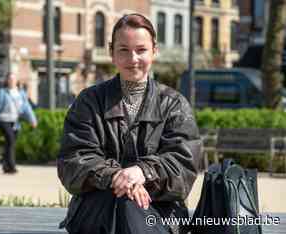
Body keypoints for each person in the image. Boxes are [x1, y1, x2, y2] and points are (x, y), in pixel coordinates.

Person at [57, 13, 202, 234]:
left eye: (141, 50)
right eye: (123, 50)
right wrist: (117, 177)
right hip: (98, 209)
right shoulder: (89, 101)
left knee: (130, 207)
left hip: (159, 212)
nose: (132, 58)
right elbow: (73, 161)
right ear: (111, 53)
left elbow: (184, 167)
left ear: (154, 50)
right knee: (124, 202)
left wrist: (143, 172)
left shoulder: (174, 105)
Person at [0, 72, 37, 174]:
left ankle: (5, 166)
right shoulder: (2, 92)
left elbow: (27, 108)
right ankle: (12, 166)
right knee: (11, 141)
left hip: (15, 122)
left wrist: (32, 120)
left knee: (9, 144)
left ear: (16, 81)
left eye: (13, 79)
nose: (11, 81)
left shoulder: (21, 93)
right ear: (6, 81)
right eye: (9, 79)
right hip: (3, 120)